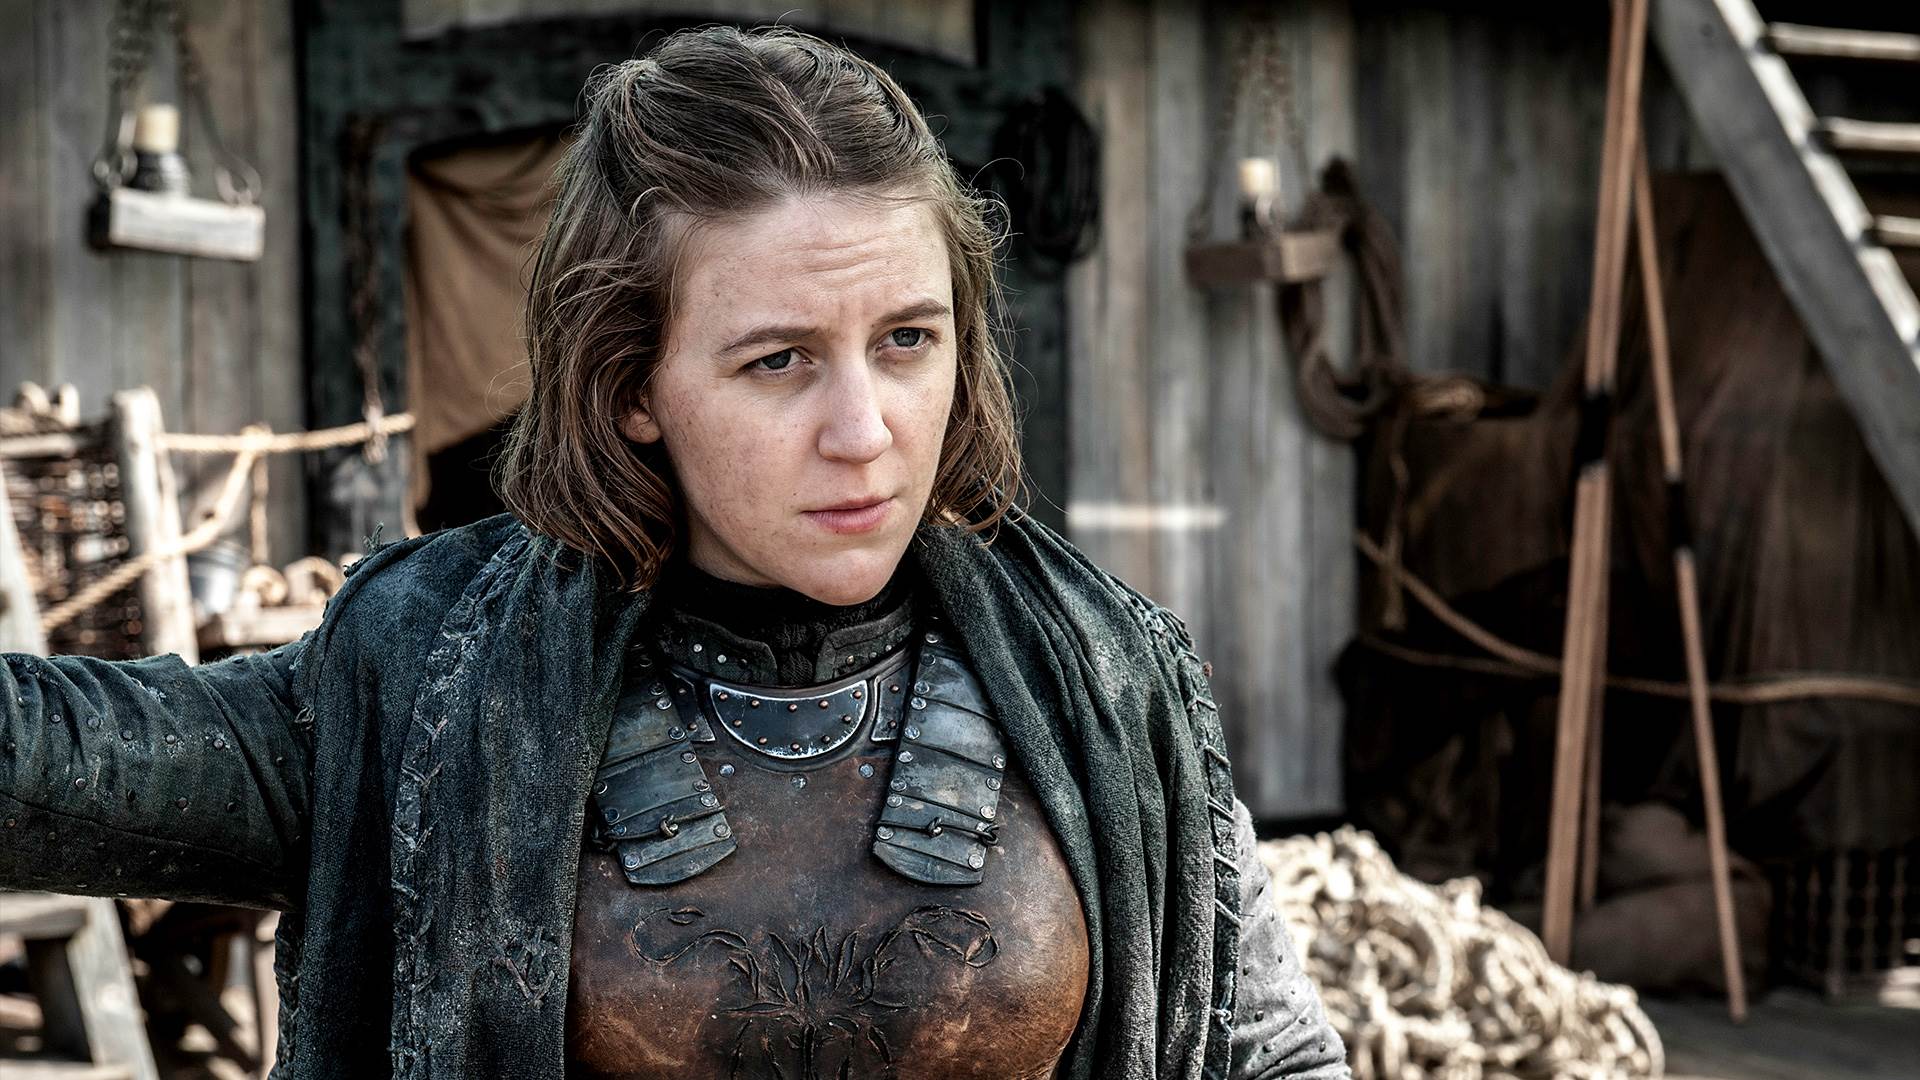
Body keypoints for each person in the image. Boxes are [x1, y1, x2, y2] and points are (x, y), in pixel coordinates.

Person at [0, 25, 1348, 1080]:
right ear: (632, 383)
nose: (866, 432)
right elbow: (44, 761)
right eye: (780, 361)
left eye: (906, 341)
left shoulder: (1107, 678)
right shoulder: (425, 685)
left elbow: (1269, 1056)